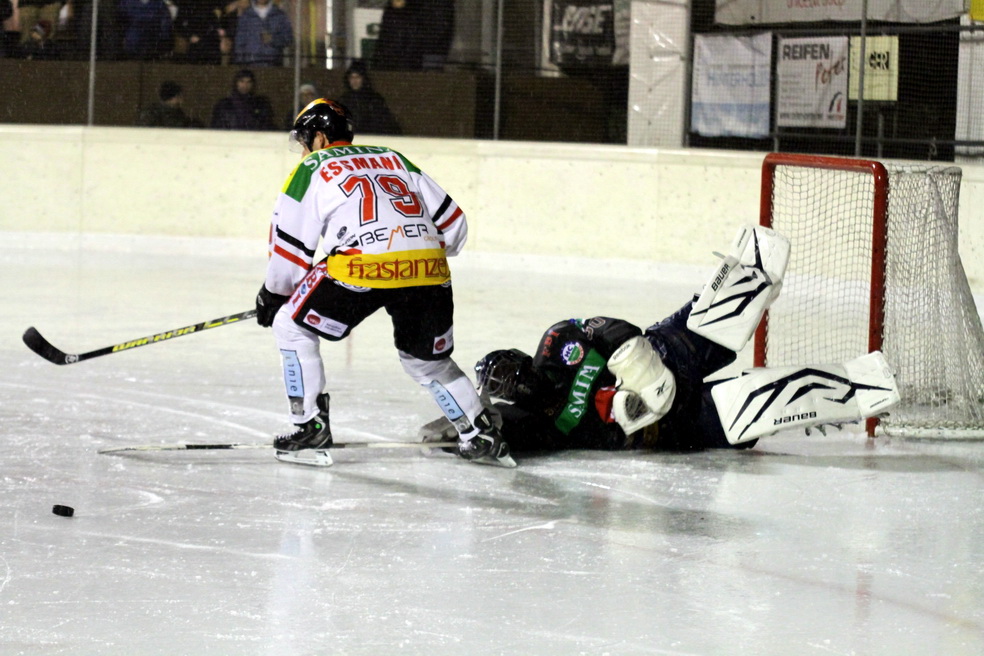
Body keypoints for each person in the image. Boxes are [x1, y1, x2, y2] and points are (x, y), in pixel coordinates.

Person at [420, 225, 902, 459]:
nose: (520, 391)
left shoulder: (556, 347)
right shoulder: (533, 426)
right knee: (759, 406)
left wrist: (641, 371)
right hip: (674, 428)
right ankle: (865, 384)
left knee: (727, 305)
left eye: (516, 380)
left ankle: (755, 268)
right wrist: (459, 431)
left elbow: (610, 329)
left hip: (669, 354)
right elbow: (490, 435)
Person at [254, 98, 514, 468]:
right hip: (428, 266)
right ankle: (480, 434)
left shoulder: (312, 167)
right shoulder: (393, 158)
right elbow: (454, 225)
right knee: (426, 361)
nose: (303, 149)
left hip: (362, 267)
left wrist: (274, 294)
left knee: (290, 325)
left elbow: (291, 245)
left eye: (305, 140)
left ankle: (309, 427)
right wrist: (414, 250)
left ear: (320, 137)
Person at [338, 60, 401, 136]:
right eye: (352, 77)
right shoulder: (344, 100)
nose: (354, 81)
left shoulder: (374, 100)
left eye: (357, 77)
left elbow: (382, 122)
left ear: (363, 79)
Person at [210, 68, 275, 130]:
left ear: (252, 84)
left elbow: (267, 126)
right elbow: (217, 128)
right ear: (236, 83)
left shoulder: (261, 104)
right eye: (242, 81)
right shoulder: (224, 105)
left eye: (248, 82)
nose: (245, 85)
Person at [233, 0, 291, 67]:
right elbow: (239, 42)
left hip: (273, 65)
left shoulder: (279, 15)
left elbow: (288, 38)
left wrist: (273, 39)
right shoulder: (246, 16)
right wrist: (240, 63)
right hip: (251, 65)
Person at [172, 0, 222, 64]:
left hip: (207, 34)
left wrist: (218, 28)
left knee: (213, 43)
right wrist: (189, 36)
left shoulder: (207, 4)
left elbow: (213, 19)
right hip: (193, 35)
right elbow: (178, 25)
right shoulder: (185, 6)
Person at [137, 81, 203, 127]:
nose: (182, 100)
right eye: (180, 96)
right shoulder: (175, 115)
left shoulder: (151, 112)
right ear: (175, 97)